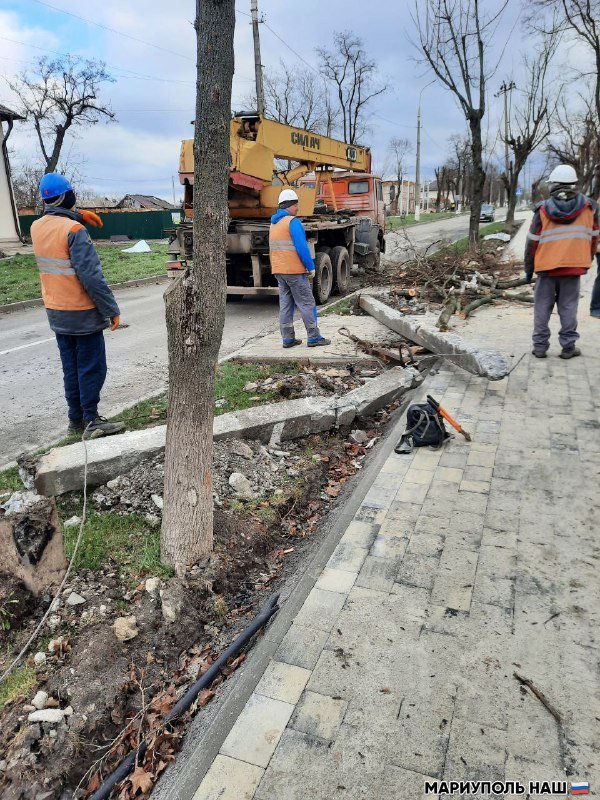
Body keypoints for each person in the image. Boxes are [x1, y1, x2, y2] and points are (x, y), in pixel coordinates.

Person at [30, 173, 126, 439]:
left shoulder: (36, 227)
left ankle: (76, 420)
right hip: (82, 312)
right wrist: (111, 310)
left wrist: (80, 215)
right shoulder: (75, 231)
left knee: (71, 367)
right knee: (91, 367)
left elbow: (55, 220)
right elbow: (92, 277)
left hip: (57, 312)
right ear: (67, 197)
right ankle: (92, 420)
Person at [525, 164, 599, 359]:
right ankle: (568, 347)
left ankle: (540, 347)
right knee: (569, 307)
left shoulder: (542, 209)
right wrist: (587, 260)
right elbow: (594, 238)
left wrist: (528, 269)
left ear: (554, 185)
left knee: (542, 307)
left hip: (546, 269)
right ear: (574, 184)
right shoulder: (589, 208)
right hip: (573, 267)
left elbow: (531, 243)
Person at [269, 188, 331, 348]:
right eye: (296, 205)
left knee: (286, 304)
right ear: (289, 206)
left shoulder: (274, 223)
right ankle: (314, 337)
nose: (298, 208)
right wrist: (310, 266)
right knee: (307, 303)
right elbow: (302, 247)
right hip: (294, 271)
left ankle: (288, 339)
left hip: (279, 271)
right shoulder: (292, 222)